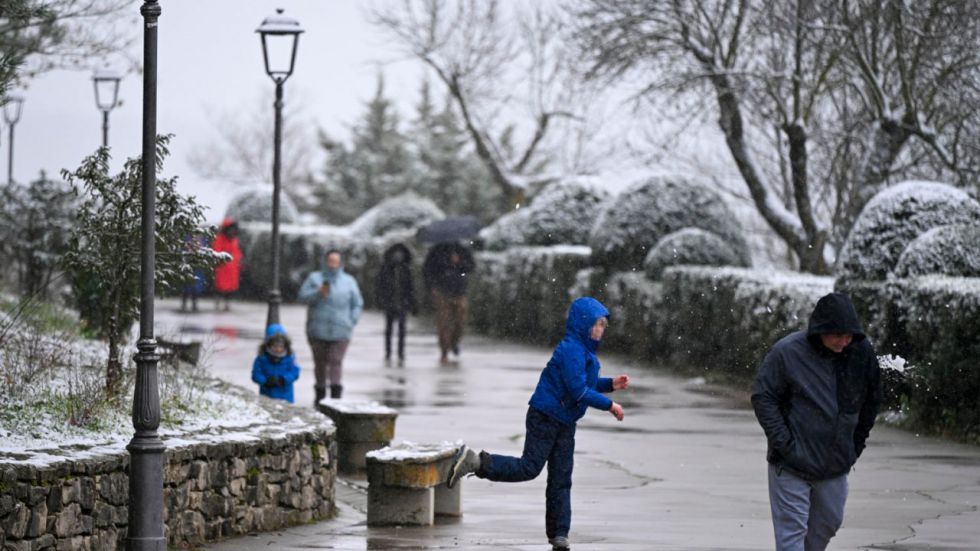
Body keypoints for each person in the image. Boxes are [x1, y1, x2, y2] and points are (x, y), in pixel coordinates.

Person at [446, 297, 630, 551]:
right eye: (598, 324)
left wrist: (609, 384)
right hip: (545, 416)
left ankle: (560, 534)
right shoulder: (572, 350)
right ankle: (476, 462)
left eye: (604, 325)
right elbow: (577, 390)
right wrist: (610, 405)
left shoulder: (583, 351)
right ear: (584, 323)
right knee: (529, 468)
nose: (602, 329)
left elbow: (583, 383)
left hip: (565, 421)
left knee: (561, 479)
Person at [751, 292, 882, 551]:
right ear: (820, 330)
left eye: (848, 335)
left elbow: (871, 401)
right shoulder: (787, 353)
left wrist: (854, 447)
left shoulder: (861, 354)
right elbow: (763, 397)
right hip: (790, 465)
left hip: (835, 465)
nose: (844, 341)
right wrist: (786, 444)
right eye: (837, 335)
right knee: (791, 533)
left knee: (829, 523)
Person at [298, 249, 364, 402]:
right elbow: (302, 297)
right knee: (320, 363)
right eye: (330, 261)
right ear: (325, 261)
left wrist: (352, 320)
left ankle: (335, 397)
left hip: (341, 330)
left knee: (336, 361)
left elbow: (357, 303)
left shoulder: (349, 281)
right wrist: (317, 293)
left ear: (341, 263)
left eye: (336, 261)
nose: (333, 265)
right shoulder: (314, 278)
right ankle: (320, 396)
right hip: (317, 329)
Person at [422, 242, 475, 363]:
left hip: (460, 292)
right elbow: (427, 271)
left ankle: (454, 342)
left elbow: (470, 267)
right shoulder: (436, 251)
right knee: (443, 323)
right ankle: (444, 350)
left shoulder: (462, 250)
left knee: (460, 321)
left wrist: (459, 263)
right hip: (442, 292)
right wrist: (432, 287)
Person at [376, 243, 417, 364]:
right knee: (389, 329)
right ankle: (388, 352)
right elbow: (380, 286)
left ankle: (401, 352)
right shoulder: (385, 269)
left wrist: (413, 303)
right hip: (390, 303)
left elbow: (410, 288)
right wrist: (381, 301)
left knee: (402, 330)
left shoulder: (406, 270)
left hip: (402, 303)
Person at [251, 323, 301, 404]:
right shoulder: (262, 358)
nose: (278, 349)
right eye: (275, 346)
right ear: (268, 345)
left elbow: (295, 372)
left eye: (281, 346)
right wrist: (265, 381)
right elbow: (256, 374)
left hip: (286, 396)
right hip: (267, 395)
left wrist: (283, 379)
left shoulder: (290, 357)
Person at [211, 218, 243, 312]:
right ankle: (218, 303)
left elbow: (237, 252)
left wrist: (237, 260)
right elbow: (217, 251)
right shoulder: (219, 239)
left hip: (231, 269)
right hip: (223, 268)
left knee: (229, 288)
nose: (232, 232)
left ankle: (226, 303)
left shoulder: (234, 240)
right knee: (219, 287)